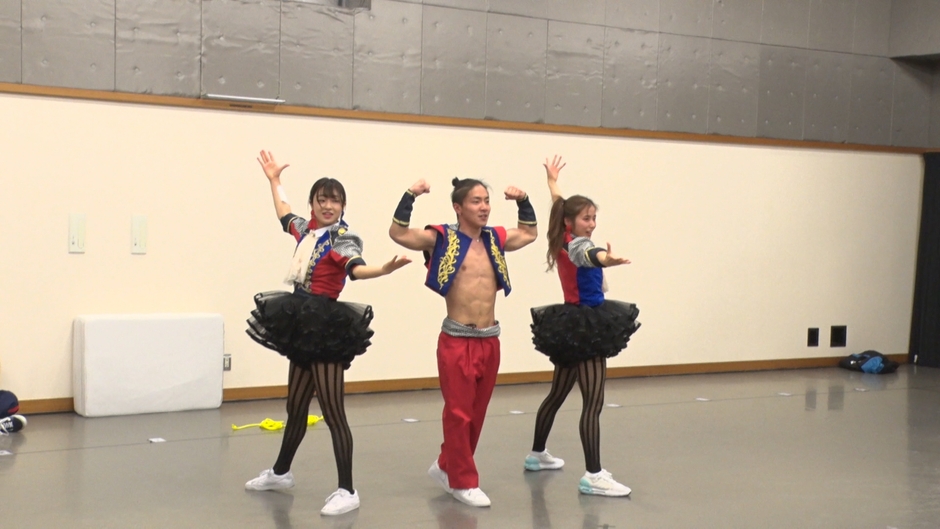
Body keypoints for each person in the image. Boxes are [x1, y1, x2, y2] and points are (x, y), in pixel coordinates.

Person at [244, 150, 411, 516]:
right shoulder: (306, 230)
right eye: (322, 200)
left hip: (326, 325)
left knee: (333, 411)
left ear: (343, 205)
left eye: (335, 201)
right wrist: (274, 179)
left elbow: (356, 269)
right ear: (314, 204)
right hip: (301, 322)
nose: (328, 206)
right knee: (295, 406)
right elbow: (284, 213)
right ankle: (281, 472)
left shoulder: (342, 238)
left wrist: (383, 269)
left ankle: (348, 489)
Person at [388, 176, 538, 507]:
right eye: (476, 201)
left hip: (490, 339)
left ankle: (447, 465)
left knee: (476, 413)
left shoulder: (495, 239)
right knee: (458, 414)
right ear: (458, 207)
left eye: (486, 201)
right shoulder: (441, 239)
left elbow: (529, 233)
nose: (484, 207)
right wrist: (410, 195)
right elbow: (398, 233)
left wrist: (524, 200)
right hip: (457, 339)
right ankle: (462, 481)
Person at [525, 155, 640, 497]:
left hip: (568, 326)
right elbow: (589, 254)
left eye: (594, 218)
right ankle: (593, 474)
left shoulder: (562, 233)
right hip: (588, 327)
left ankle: (536, 455)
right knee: (593, 403)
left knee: (557, 394)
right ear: (571, 222)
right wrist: (608, 259)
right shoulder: (578, 244)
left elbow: (558, 201)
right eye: (587, 218)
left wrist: (552, 180)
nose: (592, 224)